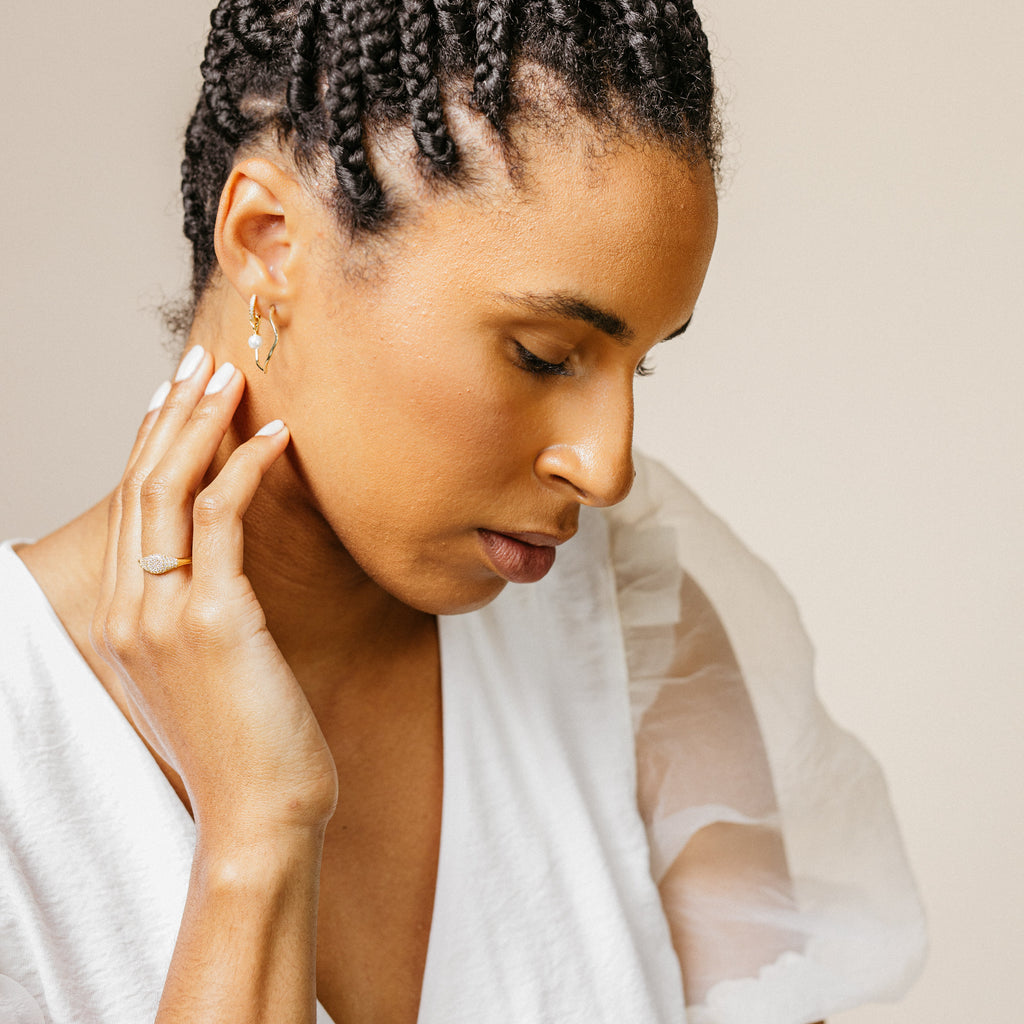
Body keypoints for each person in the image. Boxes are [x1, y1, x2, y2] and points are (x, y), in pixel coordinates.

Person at [0, 2, 926, 1022]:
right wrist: (256, 833)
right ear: (267, 241)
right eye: (544, 353)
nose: (605, 465)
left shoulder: (623, 629)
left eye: (641, 362)